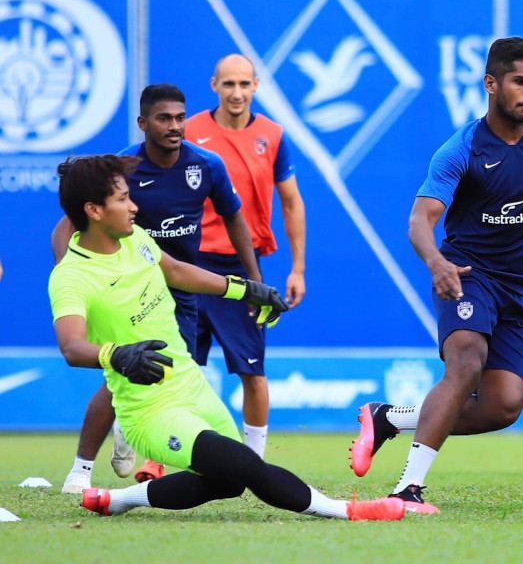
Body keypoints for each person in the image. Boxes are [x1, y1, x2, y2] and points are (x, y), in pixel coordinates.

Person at [48, 154, 403, 522]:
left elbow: (175, 270)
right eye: (122, 199)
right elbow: (71, 346)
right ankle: (349, 510)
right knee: (246, 465)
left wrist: (245, 289)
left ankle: (117, 500)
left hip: (192, 386)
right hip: (149, 412)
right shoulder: (71, 276)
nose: (134, 206)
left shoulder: (135, 238)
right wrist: (116, 355)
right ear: (93, 210)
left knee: (230, 481)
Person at [347, 37, 523, 514]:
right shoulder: (462, 148)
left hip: (521, 289)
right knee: (467, 362)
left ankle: (390, 418)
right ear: (491, 84)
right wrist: (437, 263)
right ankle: (407, 489)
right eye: (520, 82)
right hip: (467, 274)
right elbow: (420, 220)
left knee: (503, 406)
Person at [54, 84, 262, 494]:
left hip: (179, 288)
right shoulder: (122, 169)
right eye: (164, 118)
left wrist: (251, 283)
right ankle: (81, 470)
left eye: (180, 118)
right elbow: (66, 227)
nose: (175, 126)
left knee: (169, 376)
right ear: (143, 123)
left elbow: (233, 218)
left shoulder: (206, 165)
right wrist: (76, 278)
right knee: (120, 373)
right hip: (130, 288)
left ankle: (157, 452)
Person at [185, 54, 307, 459]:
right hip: (188, 263)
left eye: (243, 84)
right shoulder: (188, 131)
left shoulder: (272, 135)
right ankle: (157, 458)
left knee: (252, 370)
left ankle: (254, 460)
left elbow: (291, 202)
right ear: (214, 85)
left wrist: (297, 269)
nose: (236, 93)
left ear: (255, 86)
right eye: (228, 84)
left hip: (242, 268)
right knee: (179, 368)